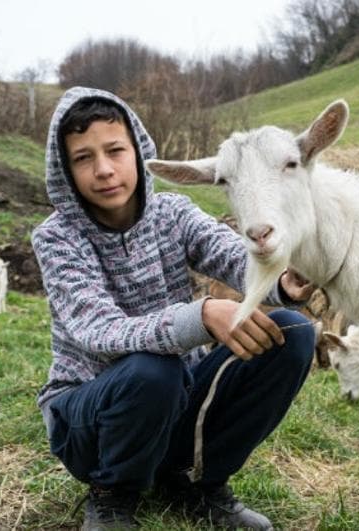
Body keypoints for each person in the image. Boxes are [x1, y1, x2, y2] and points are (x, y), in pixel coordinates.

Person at [31, 86, 317, 531]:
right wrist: (201, 316)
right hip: (89, 427)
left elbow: (231, 255)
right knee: (153, 369)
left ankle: (199, 482)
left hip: (173, 404)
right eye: (83, 158)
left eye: (114, 150)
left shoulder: (172, 214)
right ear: (65, 170)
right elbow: (99, 331)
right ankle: (112, 495)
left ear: (138, 151)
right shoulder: (57, 238)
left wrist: (281, 280)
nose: (104, 170)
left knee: (293, 334)